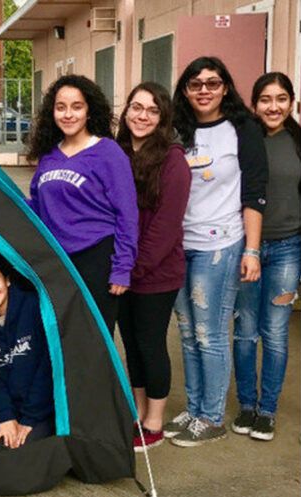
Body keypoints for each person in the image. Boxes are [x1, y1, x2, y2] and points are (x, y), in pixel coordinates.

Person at [166, 56, 268, 448]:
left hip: (221, 245)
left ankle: (211, 417)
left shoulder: (243, 128)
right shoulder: (178, 129)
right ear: (185, 90)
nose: (204, 90)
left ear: (225, 86)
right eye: (195, 84)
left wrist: (253, 251)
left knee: (210, 333)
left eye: (212, 82)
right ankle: (194, 410)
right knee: (189, 333)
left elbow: (255, 193)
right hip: (180, 246)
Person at [26, 74, 138, 335]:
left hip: (97, 258)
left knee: (95, 340)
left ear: (89, 111)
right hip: (58, 261)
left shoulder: (107, 152)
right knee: (64, 337)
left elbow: (127, 214)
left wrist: (122, 268)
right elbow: (38, 208)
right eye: (60, 107)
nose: (68, 114)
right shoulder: (49, 156)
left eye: (77, 107)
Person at [113, 82, 191, 451]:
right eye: (136, 107)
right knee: (130, 343)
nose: (142, 116)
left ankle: (155, 419)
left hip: (154, 273)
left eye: (152, 110)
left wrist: (132, 270)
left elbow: (164, 228)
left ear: (162, 118)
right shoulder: (116, 153)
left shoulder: (173, 161)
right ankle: (139, 412)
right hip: (121, 273)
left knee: (150, 344)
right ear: (126, 111)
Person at [230, 72, 301, 442]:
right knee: (245, 331)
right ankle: (246, 404)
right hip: (248, 248)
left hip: (289, 248)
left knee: (274, 333)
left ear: (291, 102)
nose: (273, 106)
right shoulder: (244, 138)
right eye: (265, 99)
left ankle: (267, 410)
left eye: (281, 99)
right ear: (254, 103)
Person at [0, 257, 54, 449]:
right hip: (6, 407)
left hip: (39, 408)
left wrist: (29, 419)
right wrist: (6, 417)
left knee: (25, 455)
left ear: (7, 280)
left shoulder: (34, 308)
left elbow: (47, 370)